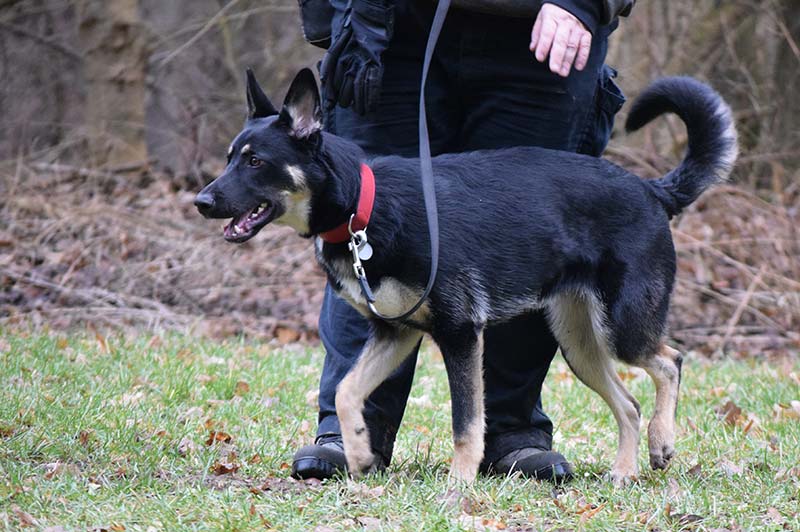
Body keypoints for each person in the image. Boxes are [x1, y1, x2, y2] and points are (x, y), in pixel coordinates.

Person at [292, 0, 633, 482]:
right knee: (361, 220)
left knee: (524, 234)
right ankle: (351, 429)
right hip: (390, 28)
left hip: (540, 33)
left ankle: (512, 432)